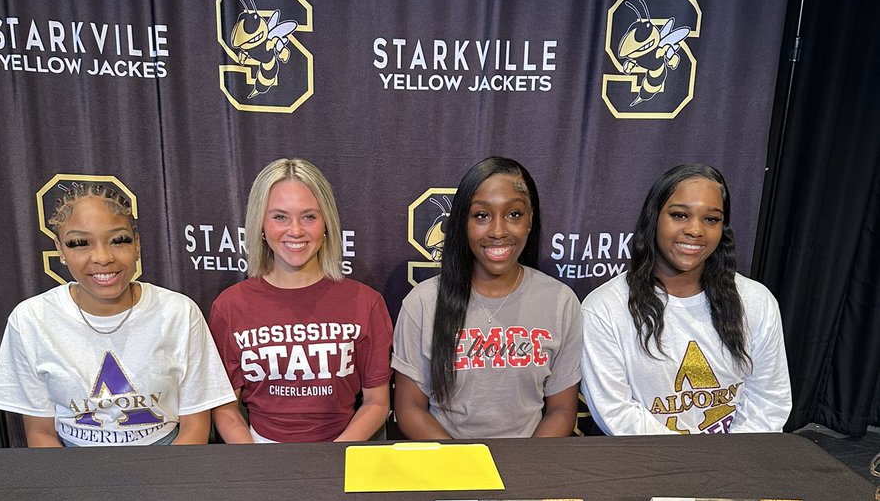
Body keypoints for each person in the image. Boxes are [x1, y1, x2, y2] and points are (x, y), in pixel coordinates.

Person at [0, 183, 238, 447]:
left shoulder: (180, 313)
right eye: (79, 243)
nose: (103, 257)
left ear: (137, 245)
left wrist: (164, 482)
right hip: (70, 464)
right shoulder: (30, 320)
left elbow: (196, 425)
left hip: (168, 458)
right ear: (60, 249)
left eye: (119, 240)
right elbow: (40, 433)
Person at [580, 163, 791, 435]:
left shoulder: (757, 301)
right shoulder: (604, 309)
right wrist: (690, 465)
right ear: (654, 218)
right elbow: (616, 412)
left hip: (738, 463)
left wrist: (730, 463)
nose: (695, 230)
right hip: (651, 465)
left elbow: (769, 401)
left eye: (711, 219)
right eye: (680, 215)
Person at [392, 156, 582, 439]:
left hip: (529, 466)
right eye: (481, 215)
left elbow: (562, 410)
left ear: (530, 220)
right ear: (462, 223)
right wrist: (466, 465)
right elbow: (408, 409)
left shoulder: (560, 302)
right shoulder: (422, 303)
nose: (498, 231)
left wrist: (525, 469)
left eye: (514, 214)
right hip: (450, 467)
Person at [209, 159, 392, 442]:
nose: (295, 230)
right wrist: (253, 462)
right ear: (260, 224)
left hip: (342, 450)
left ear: (327, 223)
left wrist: (335, 456)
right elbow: (225, 407)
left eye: (309, 216)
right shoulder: (230, 306)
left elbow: (377, 402)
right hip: (258, 452)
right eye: (280, 217)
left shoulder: (366, 303)